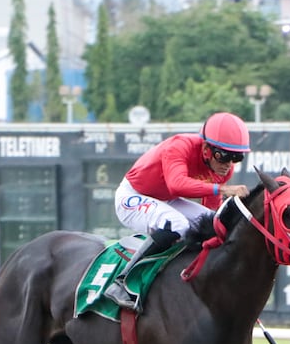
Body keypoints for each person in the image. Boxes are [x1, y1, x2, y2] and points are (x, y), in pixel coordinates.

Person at [105, 111, 252, 310]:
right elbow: (176, 185)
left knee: (213, 220)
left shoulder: (221, 169)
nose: (228, 165)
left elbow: (210, 209)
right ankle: (122, 282)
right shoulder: (180, 146)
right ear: (207, 149)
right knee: (178, 224)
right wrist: (223, 189)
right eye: (224, 156)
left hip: (165, 200)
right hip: (132, 196)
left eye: (236, 158)